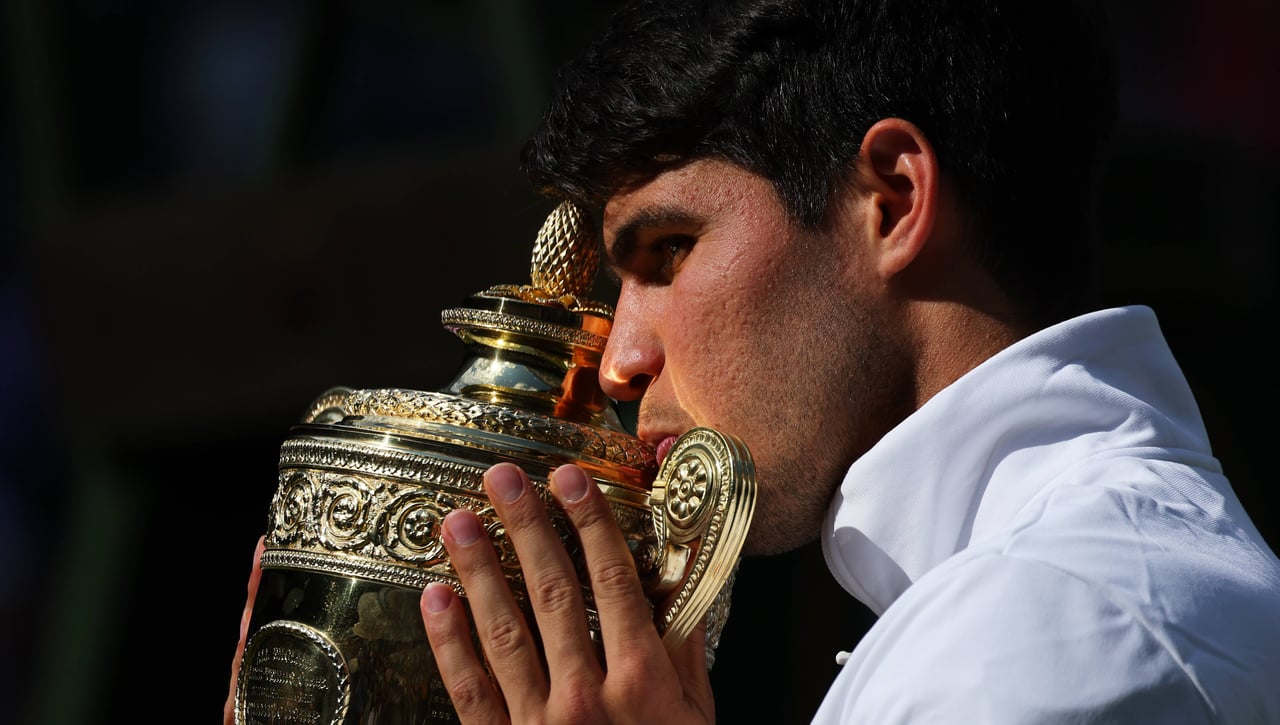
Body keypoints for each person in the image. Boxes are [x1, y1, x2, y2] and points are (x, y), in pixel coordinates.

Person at [228, 1, 1280, 722]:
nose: (618, 359)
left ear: (890, 201)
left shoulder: (1048, 627)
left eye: (667, 253)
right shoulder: (1019, 598)